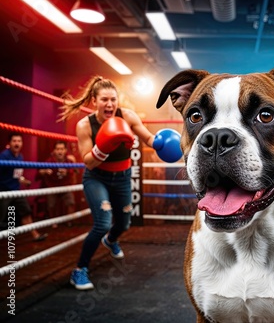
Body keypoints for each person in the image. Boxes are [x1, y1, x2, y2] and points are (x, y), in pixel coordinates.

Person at [59, 76, 176, 290]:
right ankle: (80, 270)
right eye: (104, 100)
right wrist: (103, 146)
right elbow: (88, 162)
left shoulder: (128, 117)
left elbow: (149, 139)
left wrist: (163, 142)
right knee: (102, 223)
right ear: (94, 101)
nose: (110, 104)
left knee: (123, 224)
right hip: (97, 178)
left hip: (122, 178)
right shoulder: (85, 125)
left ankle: (111, 241)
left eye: (113, 99)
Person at [0, 133, 48, 241]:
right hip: (4, 191)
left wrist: (24, 181)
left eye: (19, 141)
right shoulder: (3, 156)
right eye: (14, 141)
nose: (17, 143)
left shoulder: (20, 157)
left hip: (16, 191)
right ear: (10, 143)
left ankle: (35, 235)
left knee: (26, 211)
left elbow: (17, 175)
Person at [36, 141, 77, 227]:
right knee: (51, 205)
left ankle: (69, 221)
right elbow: (38, 174)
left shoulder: (69, 161)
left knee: (71, 202)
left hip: (65, 187)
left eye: (62, 149)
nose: (60, 151)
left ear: (65, 150)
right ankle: (53, 221)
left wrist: (68, 172)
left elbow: (76, 171)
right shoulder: (49, 161)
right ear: (54, 151)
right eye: (58, 149)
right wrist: (44, 171)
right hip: (52, 187)